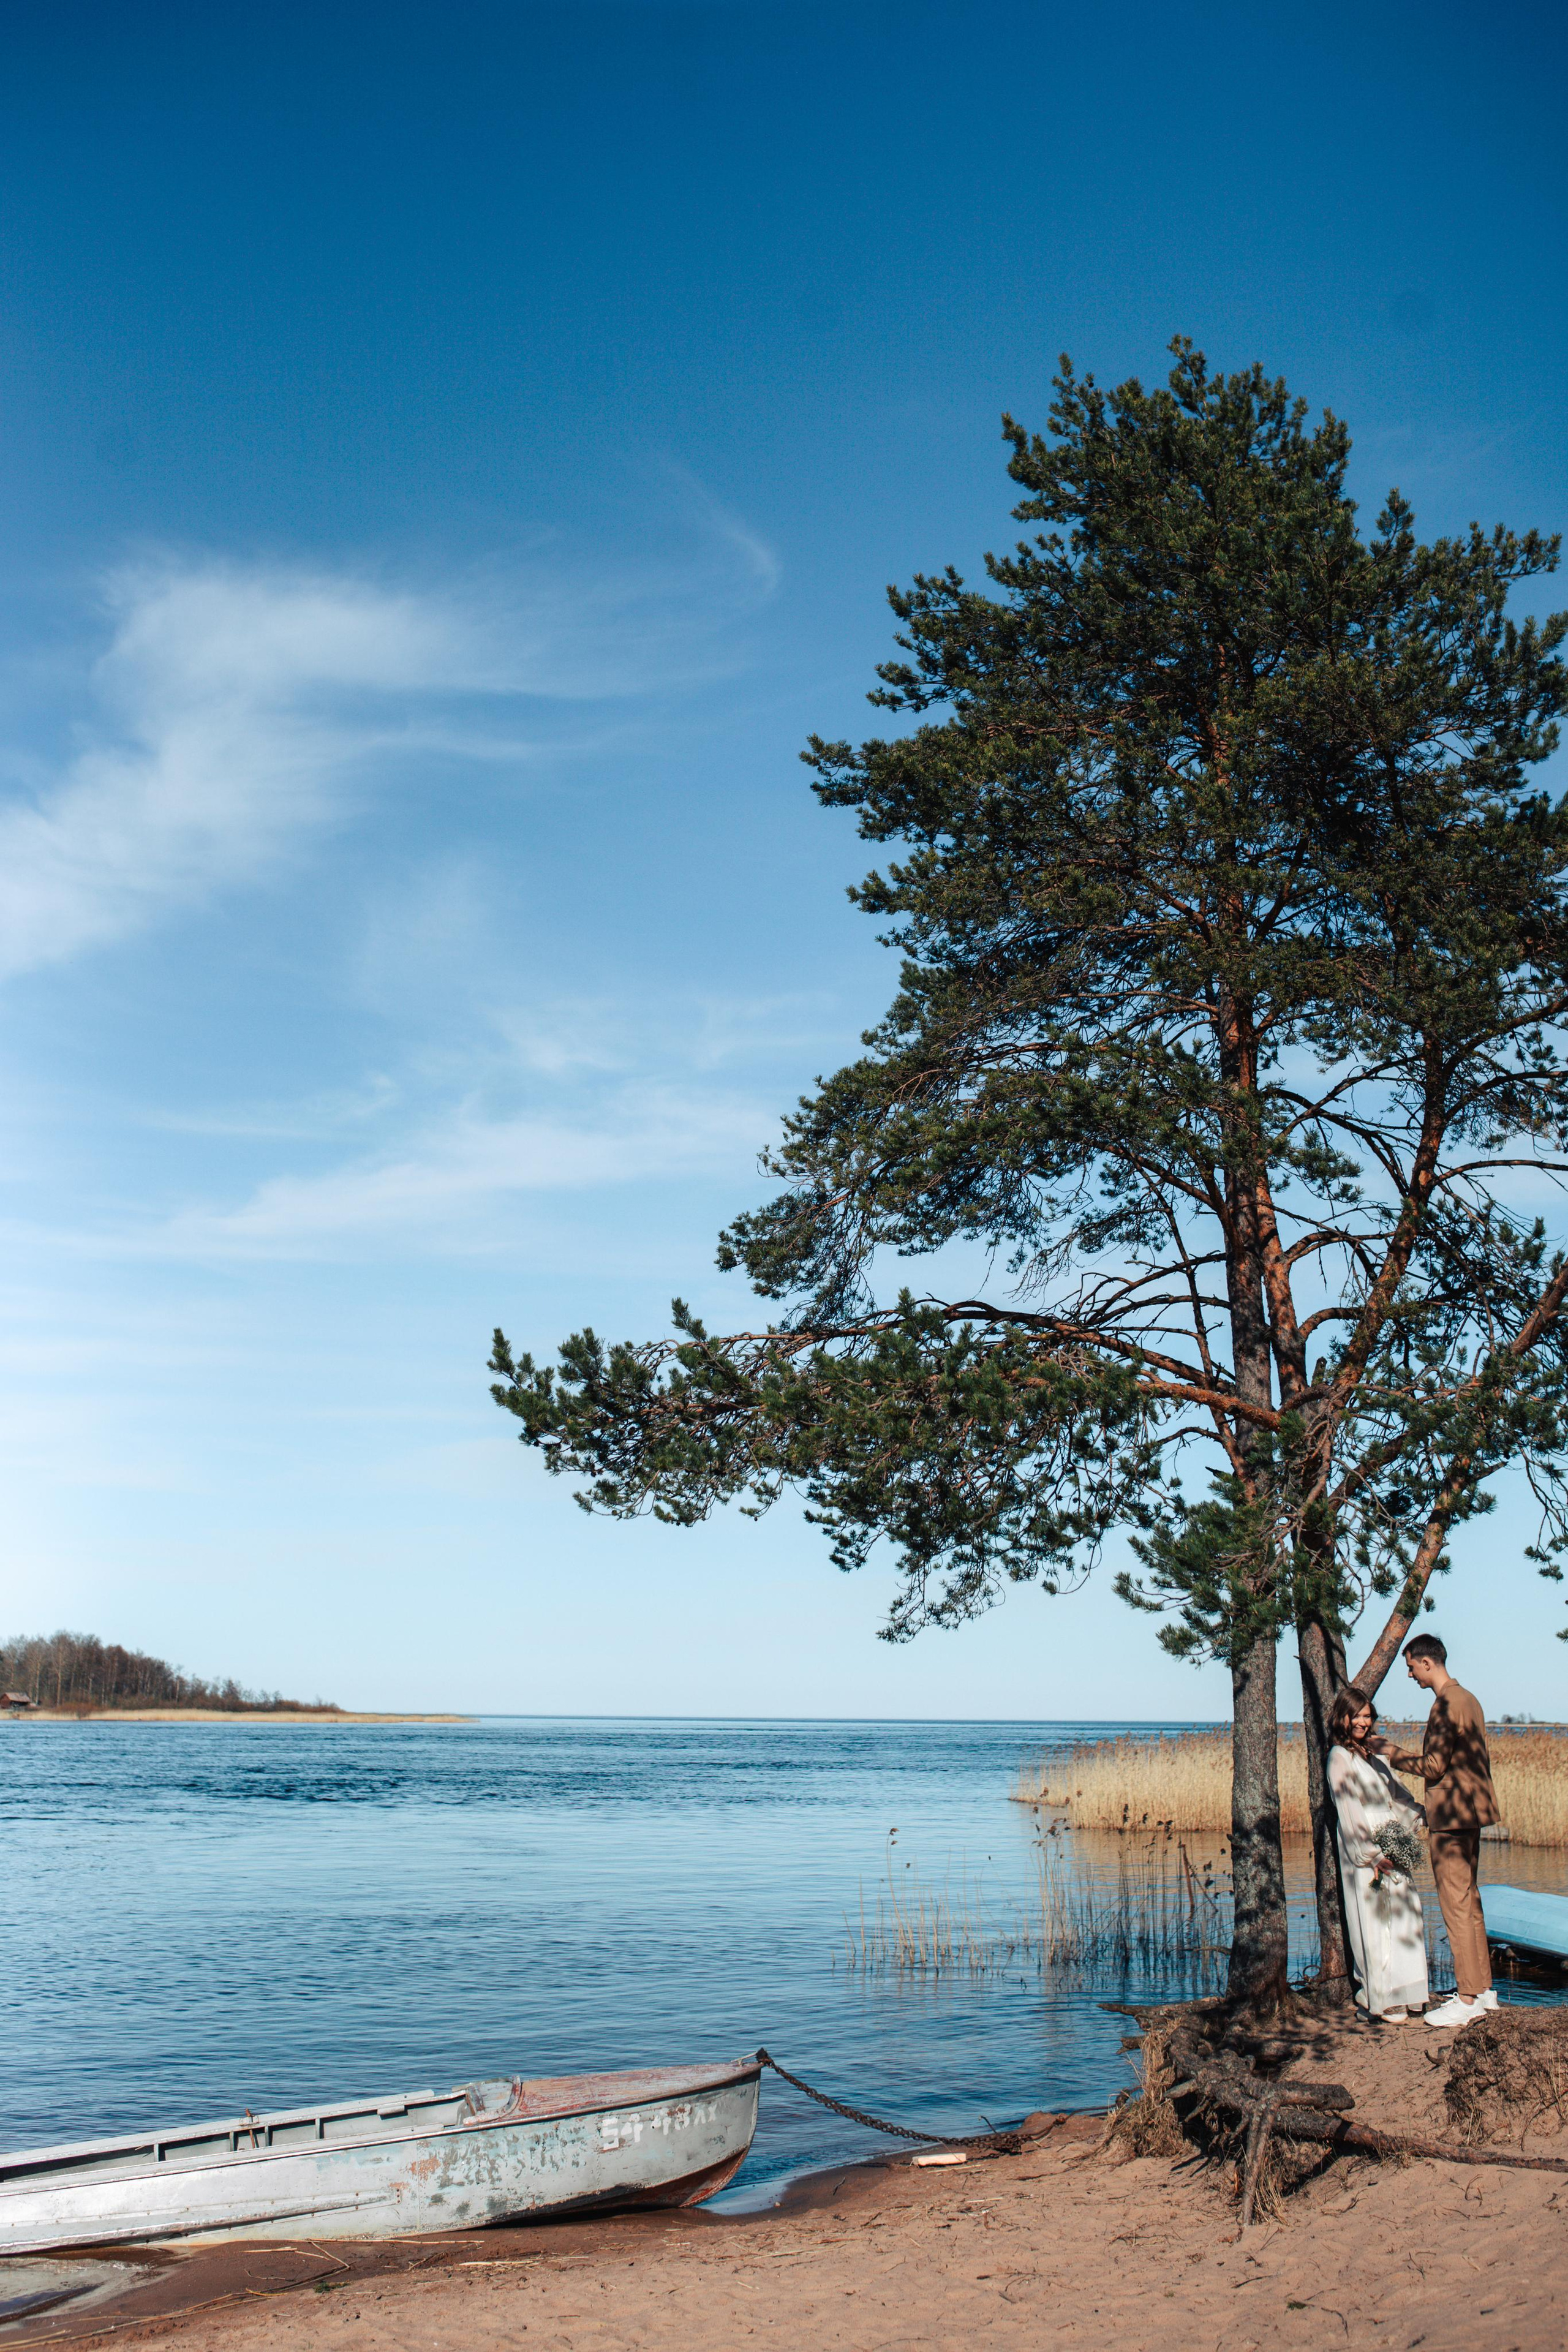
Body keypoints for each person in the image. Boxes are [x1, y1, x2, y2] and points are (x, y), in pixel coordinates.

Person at [1376, 1634, 1499, 2029]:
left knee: (1456, 1905)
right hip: (1472, 1813)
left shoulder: (1447, 1704)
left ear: (1427, 1663)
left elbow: (1433, 1767)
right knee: (1470, 1900)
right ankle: (1484, 1992)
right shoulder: (1470, 1699)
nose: (1410, 1674)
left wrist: (1388, 1751)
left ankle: (1467, 1998)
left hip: (1450, 1816)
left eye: (1411, 1667)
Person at [1327, 1686, 1430, 2022]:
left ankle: (1410, 1990)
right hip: (1365, 1847)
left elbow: (1396, 1794)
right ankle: (1381, 1997)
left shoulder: (1375, 1753)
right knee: (1373, 1921)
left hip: (1393, 1839)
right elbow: (1348, 1808)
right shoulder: (1339, 1757)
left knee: (1405, 1914)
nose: (1363, 1721)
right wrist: (1371, 1855)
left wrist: (1416, 1816)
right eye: (1356, 1715)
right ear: (1343, 1716)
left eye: (1368, 1715)